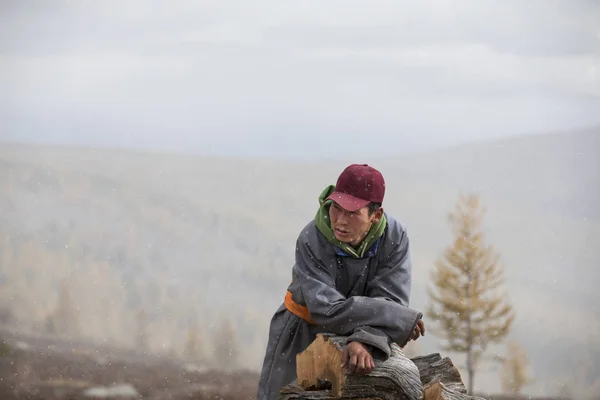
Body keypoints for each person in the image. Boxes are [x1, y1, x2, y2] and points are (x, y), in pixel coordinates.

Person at [256, 164, 425, 400]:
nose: (340, 221)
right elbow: (327, 308)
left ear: (375, 215)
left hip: (362, 328)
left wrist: (365, 340)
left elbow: (390, 297)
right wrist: (397, 316)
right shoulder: (311, 238)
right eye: (336, 208)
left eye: (352, 213)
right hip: (302, 330)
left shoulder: (395, 237)